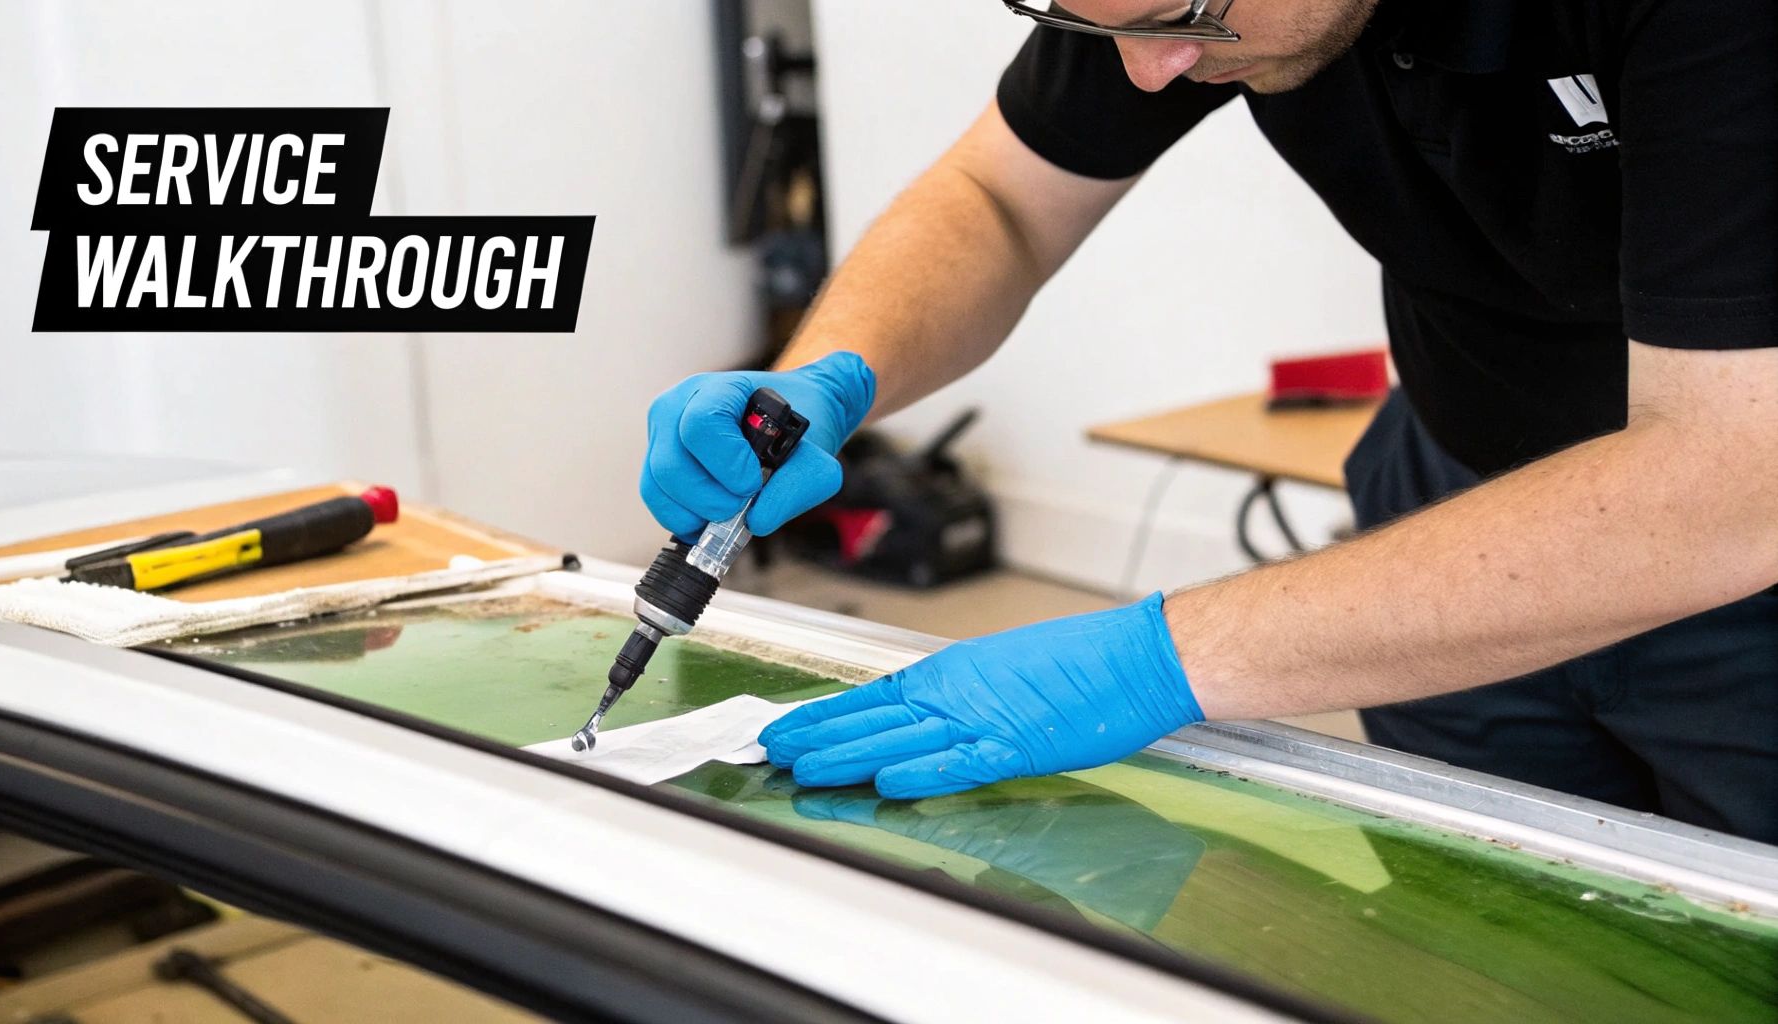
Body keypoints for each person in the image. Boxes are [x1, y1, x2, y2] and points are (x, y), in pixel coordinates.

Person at [639, 0, 1778, 841]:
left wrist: (1159, 658)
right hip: (1444, 488)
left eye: (1187, 18)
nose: (1148, 71)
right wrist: (830, 378)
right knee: (1502, 925)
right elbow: (997, 199)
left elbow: (1727, 480)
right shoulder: (1167, 7)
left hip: (1741, 562)